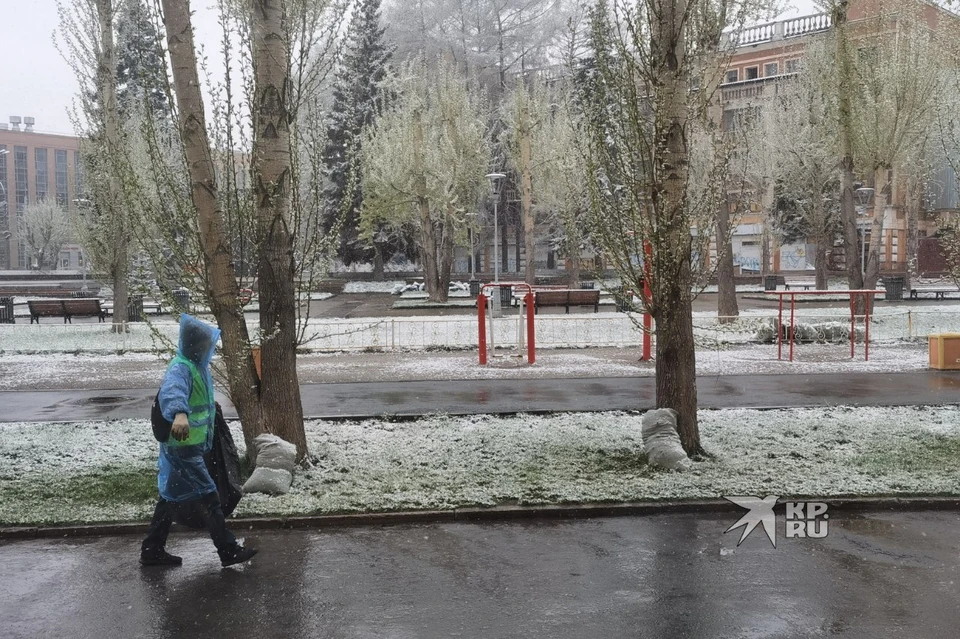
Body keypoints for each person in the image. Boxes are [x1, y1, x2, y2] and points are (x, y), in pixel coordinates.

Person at [140, 314, 258, 568]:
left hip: (186, 445)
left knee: (170, 497)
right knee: (209, 497)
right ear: (195, 344)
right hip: (183, 446)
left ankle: (152, 549)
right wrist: (180, 413)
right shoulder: (182, 367)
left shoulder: (196, 367)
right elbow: (173, 392)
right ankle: (227, 550)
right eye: (205, 345)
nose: (208, 349)